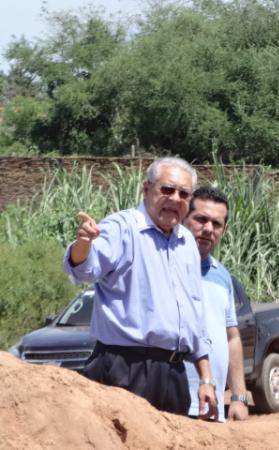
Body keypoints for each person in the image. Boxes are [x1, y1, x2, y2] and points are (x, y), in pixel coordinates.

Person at [63, 157, 217, 417]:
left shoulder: (187, 243)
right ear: (147, 189)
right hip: (125, 369)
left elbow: (194, 316)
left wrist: (206, 379)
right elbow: (83, 269)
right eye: (167, 189)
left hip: (173, 375)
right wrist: (83, 245)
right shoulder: (122, 228)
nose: (175, 199)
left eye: (183, 194)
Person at [183, 186, 248, 422]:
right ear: (184, 218)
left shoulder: (222, 276)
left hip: (213, 406)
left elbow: (231, 337)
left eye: (217, 224)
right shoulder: (167, 268)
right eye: (201, 219)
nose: (208, 229)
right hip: (175, 402)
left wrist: (239, 397)